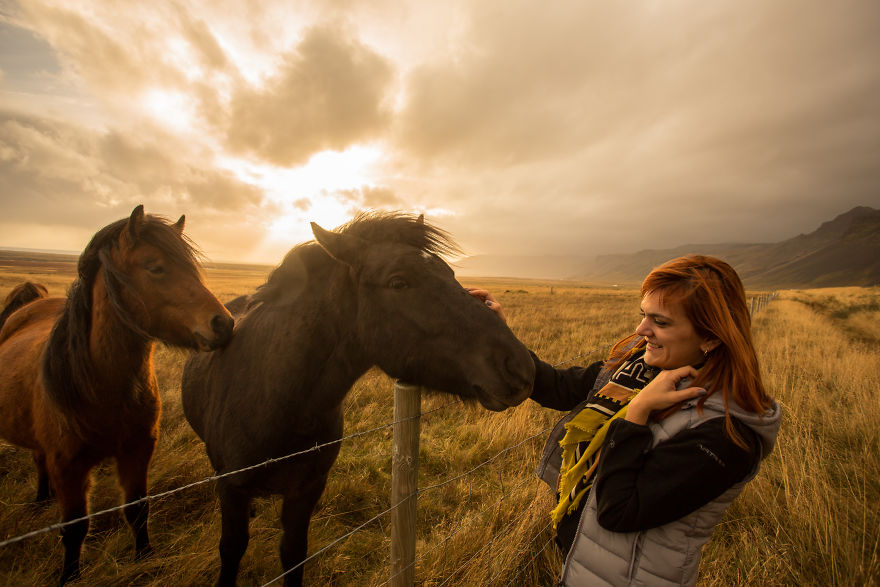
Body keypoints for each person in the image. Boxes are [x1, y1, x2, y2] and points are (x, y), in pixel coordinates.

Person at [467, 255, 781, 586]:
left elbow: (618, 510)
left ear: (711, 337)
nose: (641, 330)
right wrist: (499, 335)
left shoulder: (726, 433)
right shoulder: (637, 370)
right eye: (643, 315)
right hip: (584, 570)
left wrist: (636, 415)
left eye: (660, 322)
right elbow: (558, 387)